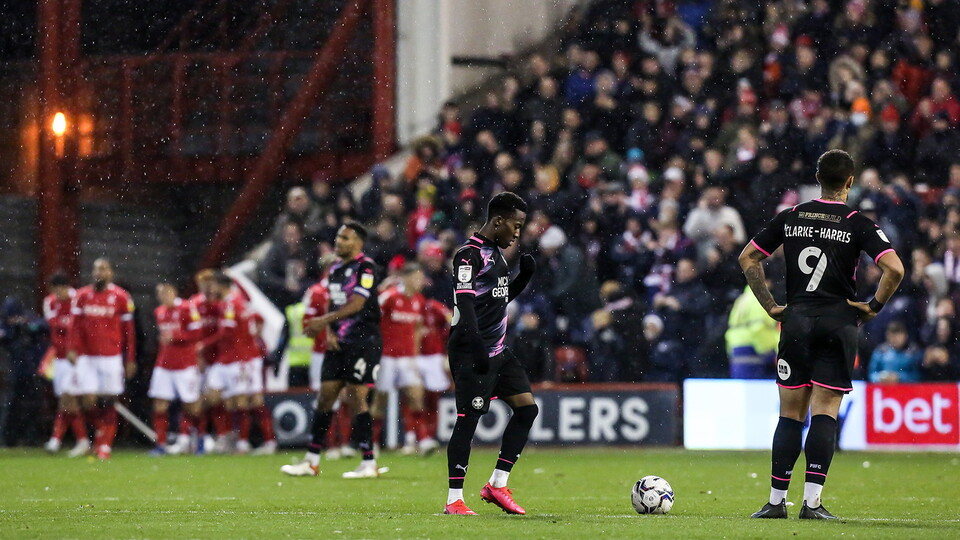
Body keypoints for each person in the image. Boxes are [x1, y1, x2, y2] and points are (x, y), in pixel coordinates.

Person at [740, 150, 904, 520]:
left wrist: (770, 304)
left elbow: (747, 258)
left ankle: (775, 501)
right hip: (837, 320)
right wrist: (873, 306)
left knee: (790, 413)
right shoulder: (856, 222)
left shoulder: (791, 216)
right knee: (825, 410)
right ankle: (811, 504)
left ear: (817, 178)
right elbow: (894, 268)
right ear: (850, 181)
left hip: (796, 320)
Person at [443, 192, 538, 516]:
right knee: (468, 421)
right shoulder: (468, 256)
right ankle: (454, 499)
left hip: (496, 351)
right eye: (516, 225)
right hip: (471, 351)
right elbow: (466, 304)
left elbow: (497, 299)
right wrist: (478, 348)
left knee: (527, 410)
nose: (517, 233)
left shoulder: (496, 256)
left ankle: (496, 484)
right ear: (498, 221)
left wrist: (522, 278)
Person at [281, 222, 384, 479]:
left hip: (363, 341)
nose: (338, 242)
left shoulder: (366, 267)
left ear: (358, 243)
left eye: (345, 238)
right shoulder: (336, 269)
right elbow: (332, 300)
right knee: (326, 396)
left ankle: (368, 462)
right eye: (338, 237)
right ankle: (312, 461)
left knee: (356, 397)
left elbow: (358, 303)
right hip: (338, 342)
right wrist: (328, 331)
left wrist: (322, 322)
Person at [66, 258, 137, 460]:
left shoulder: (122, 297)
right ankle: (101, 430)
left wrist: (130, 358)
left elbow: (129, 331)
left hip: (111, 357)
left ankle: (104, 445)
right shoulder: (81, 296)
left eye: (104, 269)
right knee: (87, 399)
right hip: (87, 357)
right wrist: (72, 347)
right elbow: (75, 325)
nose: (99, 273)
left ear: (110, 273)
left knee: (109, 400)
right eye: (96, 269)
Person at [373, 263, 429, 454]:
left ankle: (419, 440)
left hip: (407, 358)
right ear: (405, 278)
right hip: (386, 357)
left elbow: (418, 328)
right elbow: (372, 316)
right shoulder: (390, 297)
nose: (420, 282)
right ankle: (371, 443)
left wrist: (415, 354)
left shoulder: (419, 301)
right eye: (417, 278)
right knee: (381, 400)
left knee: (415, 396)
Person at [147, 283, 202, 455]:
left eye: (166, 292)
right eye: (160, 294)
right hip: (164, 365)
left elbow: (197, 333)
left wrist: (177, 337)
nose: (163, 296)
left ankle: (194, 439)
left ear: (174, 291)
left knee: (191, 405)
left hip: (185, 364)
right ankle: (161, 445)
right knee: (159, 404)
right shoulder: (159, 312)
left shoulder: (187, 308)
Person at [43, 273, 88, 456]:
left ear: (67, 287)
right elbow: (54, 324)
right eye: (55, 289)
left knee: (69, 397)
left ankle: (57, 439)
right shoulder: (50, 302)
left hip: (77, 357)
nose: (58, 293)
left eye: (60, 289)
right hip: (59, 358)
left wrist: (69, 331)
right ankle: (81, 439)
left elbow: (79, 327)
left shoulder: (77, 299)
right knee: (65, 400)